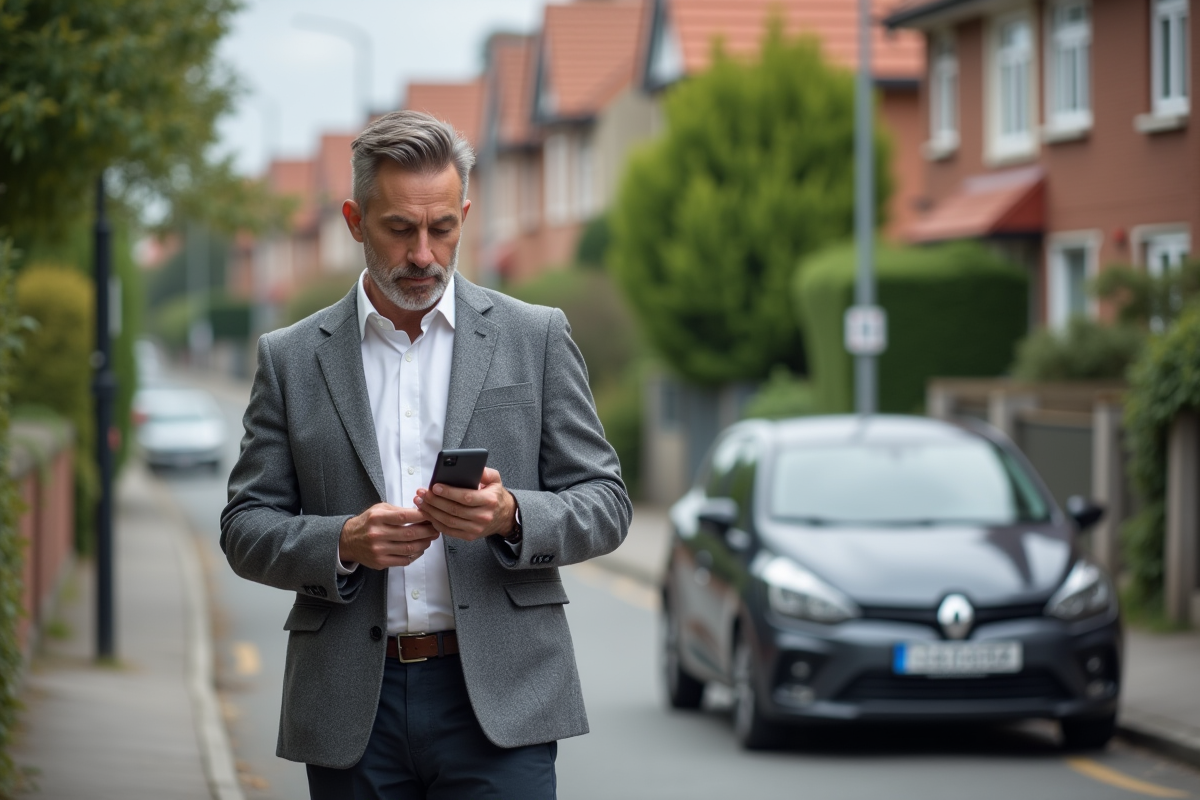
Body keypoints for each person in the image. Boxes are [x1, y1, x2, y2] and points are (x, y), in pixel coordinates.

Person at [220, 110, 632, 799]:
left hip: (503, 703)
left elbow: (607, 503)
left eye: (443, 229)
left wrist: (510, 516)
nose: (424, 254)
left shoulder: (536, 337)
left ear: (465, 213)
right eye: (400, 229)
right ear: (355, 219)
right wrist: (343, 542)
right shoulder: (290, 360)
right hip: (354, 707)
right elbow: (244, 527)